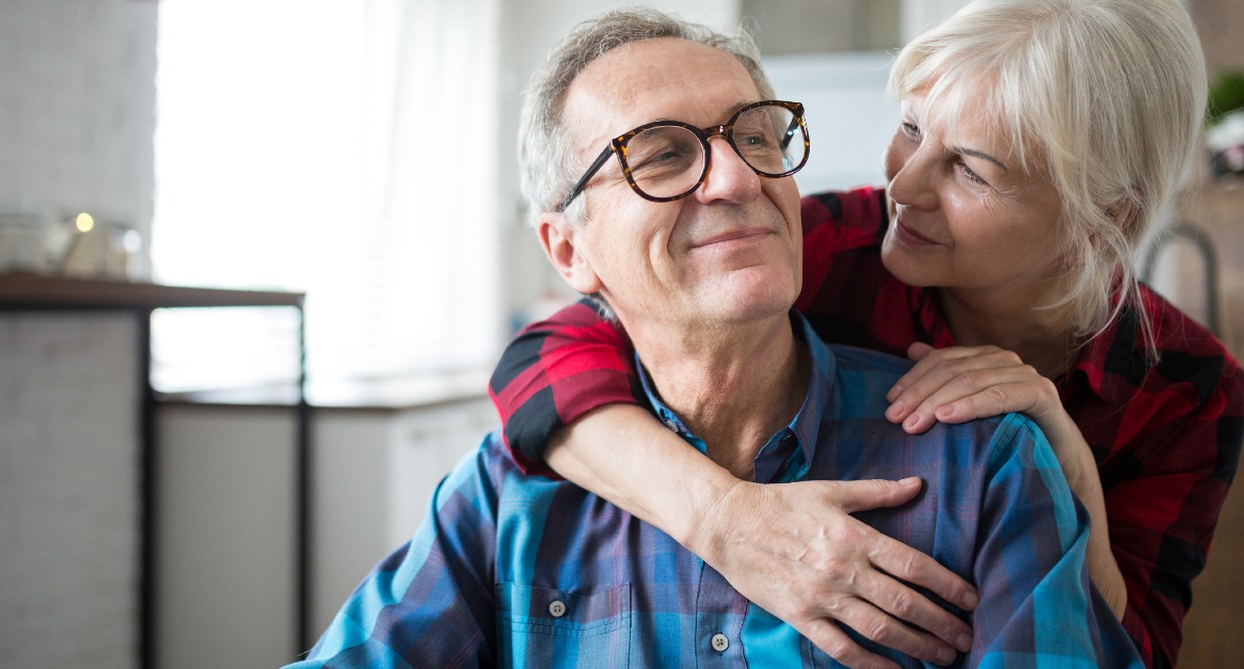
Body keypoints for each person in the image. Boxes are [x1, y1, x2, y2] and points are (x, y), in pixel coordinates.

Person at [292, 8, 1143, 668]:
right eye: (661, 155)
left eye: (758, 135)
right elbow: (532, 364)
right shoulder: (508, 494)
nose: (737, 177)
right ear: (568, 249)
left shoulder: (984, 465)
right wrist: (723, 516)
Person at [487, 0, 1244, 667]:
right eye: (911, 127)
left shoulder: (1186, 386)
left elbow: (1136, 647)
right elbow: (541, 359)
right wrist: (724, 519)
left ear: (1103, 216)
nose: (904, 186)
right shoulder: (831, 245)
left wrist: (1073, 474)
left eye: (970, 171)